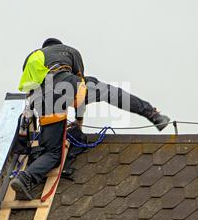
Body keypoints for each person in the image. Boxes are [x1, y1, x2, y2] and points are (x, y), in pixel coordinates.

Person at [10, 38, 170, 199]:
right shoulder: (69, 50)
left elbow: (31, 90)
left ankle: (25, 178)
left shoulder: (32, 57)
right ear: (58, 45)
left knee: (53, 153)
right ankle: (153, 114)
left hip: (41, 100)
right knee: (111, 92)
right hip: (66, 85)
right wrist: (78, 123)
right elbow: (79, 85)